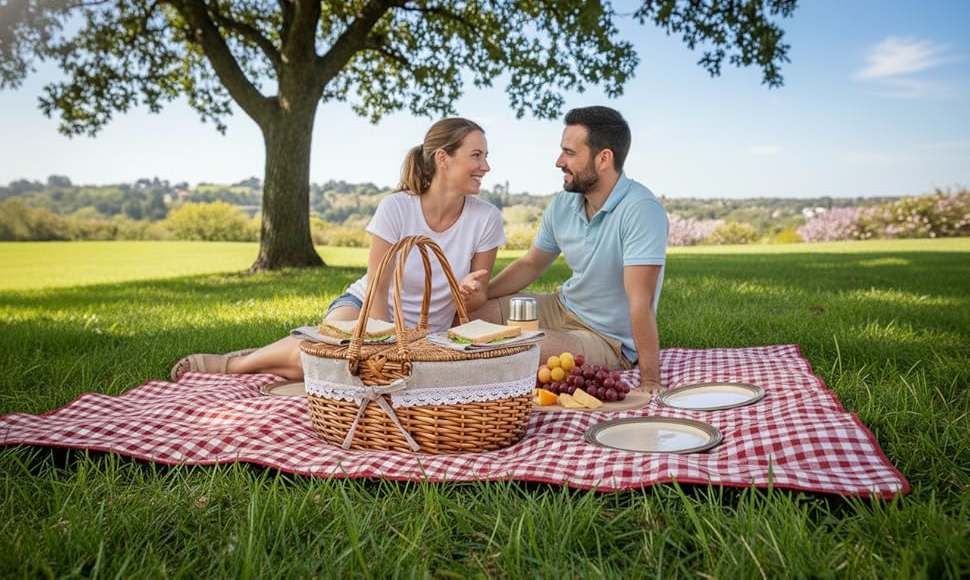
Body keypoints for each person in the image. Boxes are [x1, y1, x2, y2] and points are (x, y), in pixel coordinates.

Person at [170, 117, 504, 381]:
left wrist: (466, 293)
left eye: (487, 156)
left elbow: (475, 301)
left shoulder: (486, 218)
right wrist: (382, 345)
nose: (486, 166)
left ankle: (275, 356)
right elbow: (377, 288)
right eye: (476, 155)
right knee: (338, 358)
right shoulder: (397, 208)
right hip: (364, 310)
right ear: (443, 158)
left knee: (347, 373)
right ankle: (238, 365)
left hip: (428, 335)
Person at [461, 106, 668, 394]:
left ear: (604, 158)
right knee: (463, 321)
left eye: (570, 153)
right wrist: (482, 295)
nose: (559, 161)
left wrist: (650, 381)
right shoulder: (564, 203)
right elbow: (531, 264)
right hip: (561, 307)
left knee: (520, 350)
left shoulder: (641, 210)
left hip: (607, 339)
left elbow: (640, 302)